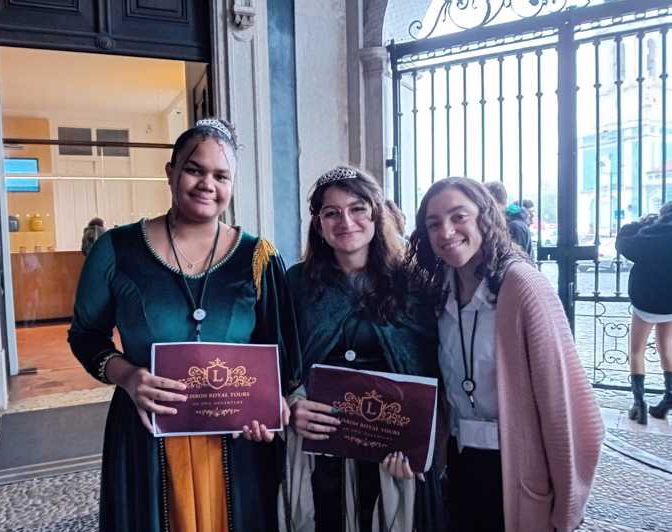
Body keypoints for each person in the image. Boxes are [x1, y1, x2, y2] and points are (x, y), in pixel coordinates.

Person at [68, 118, 301, 532]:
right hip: (147, 433)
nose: (207, 184)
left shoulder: (258, 256)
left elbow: (280, 353)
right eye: (195, 169)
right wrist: (128, 376)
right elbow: (86, 335)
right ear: (171, 171)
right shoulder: (117, 249)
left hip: (235, 442)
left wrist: (271, 407)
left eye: (221, 176)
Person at [406, 177, 604, 532]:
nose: (446, 232)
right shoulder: (438, 291)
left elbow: (563, 402)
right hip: (459, 463)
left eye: (459, 217)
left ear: (485, 217)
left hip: (518, 468)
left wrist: (566, 507)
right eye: (434, 224)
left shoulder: (522, 286)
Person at [282, 166, 443, 531]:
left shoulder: (412, 282)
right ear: (318, 224)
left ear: (376, 213)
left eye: (358, 208)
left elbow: (431, 364)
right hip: (320, 443)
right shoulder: (297, 283)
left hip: (392, 449)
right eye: (332, 213)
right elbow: (281, 358)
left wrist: (419, 438)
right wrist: (292, 403)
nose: (346, 221)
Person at [615, 201, 672, 424]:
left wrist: (639, 224)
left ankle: (639, 404)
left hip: (645, 303)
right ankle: (669, 398)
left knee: (636, 350)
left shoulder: (648, 235)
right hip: (670, 304)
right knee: (666, 347)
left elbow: (623, 242)